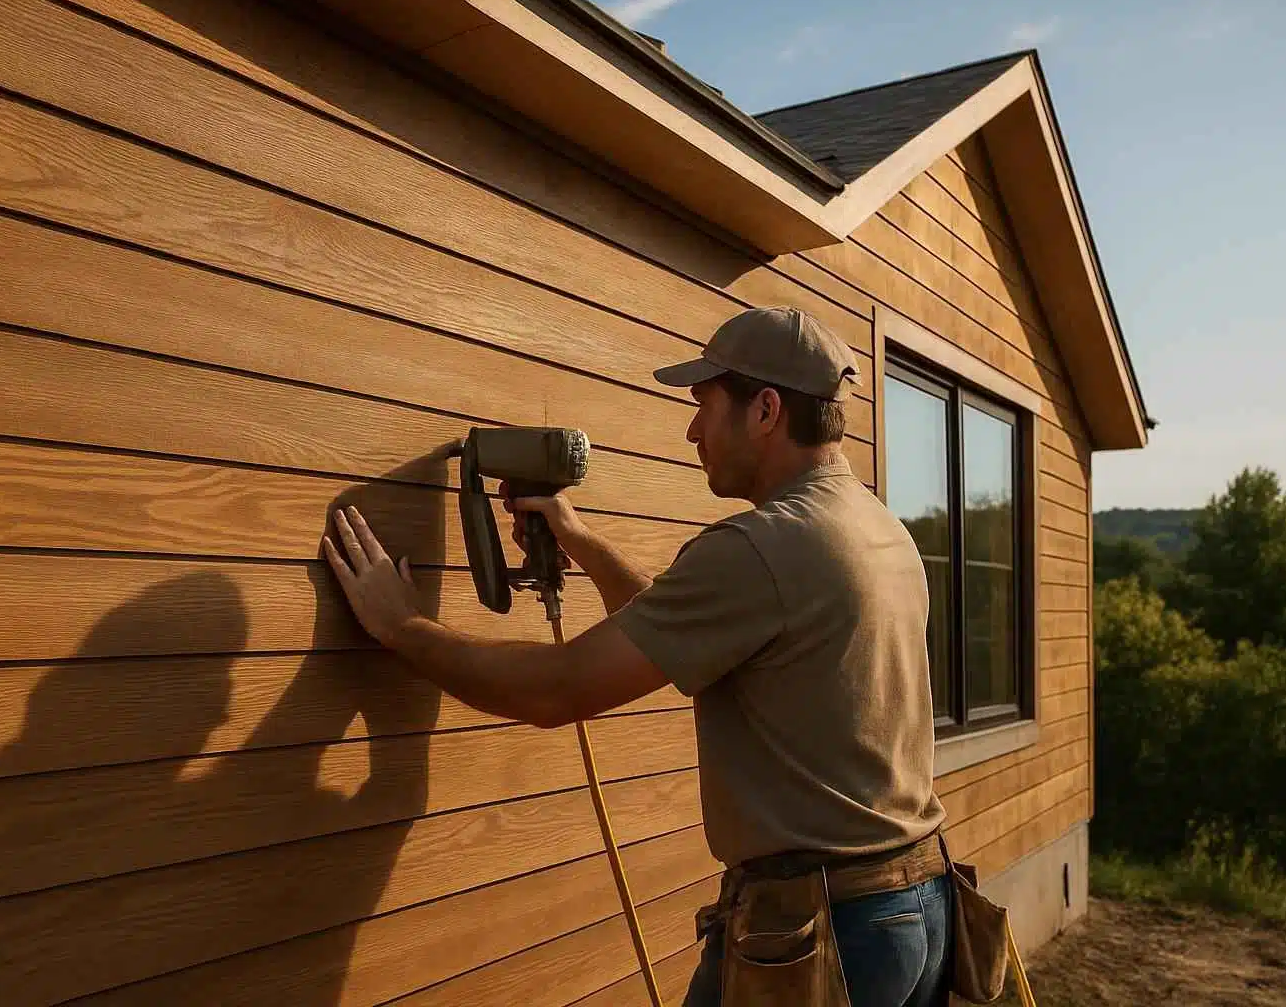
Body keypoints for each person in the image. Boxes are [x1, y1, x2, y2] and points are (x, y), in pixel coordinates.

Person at [322, 305, 952, 1007]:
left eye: (704, 405)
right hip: (914, 905)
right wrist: (582, 542)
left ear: (766, 410)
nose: (692, 431)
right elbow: (693, 630)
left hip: (825, 933)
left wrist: (403, 626)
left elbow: (557, 690)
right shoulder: (875, 527)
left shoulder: (763, 546)